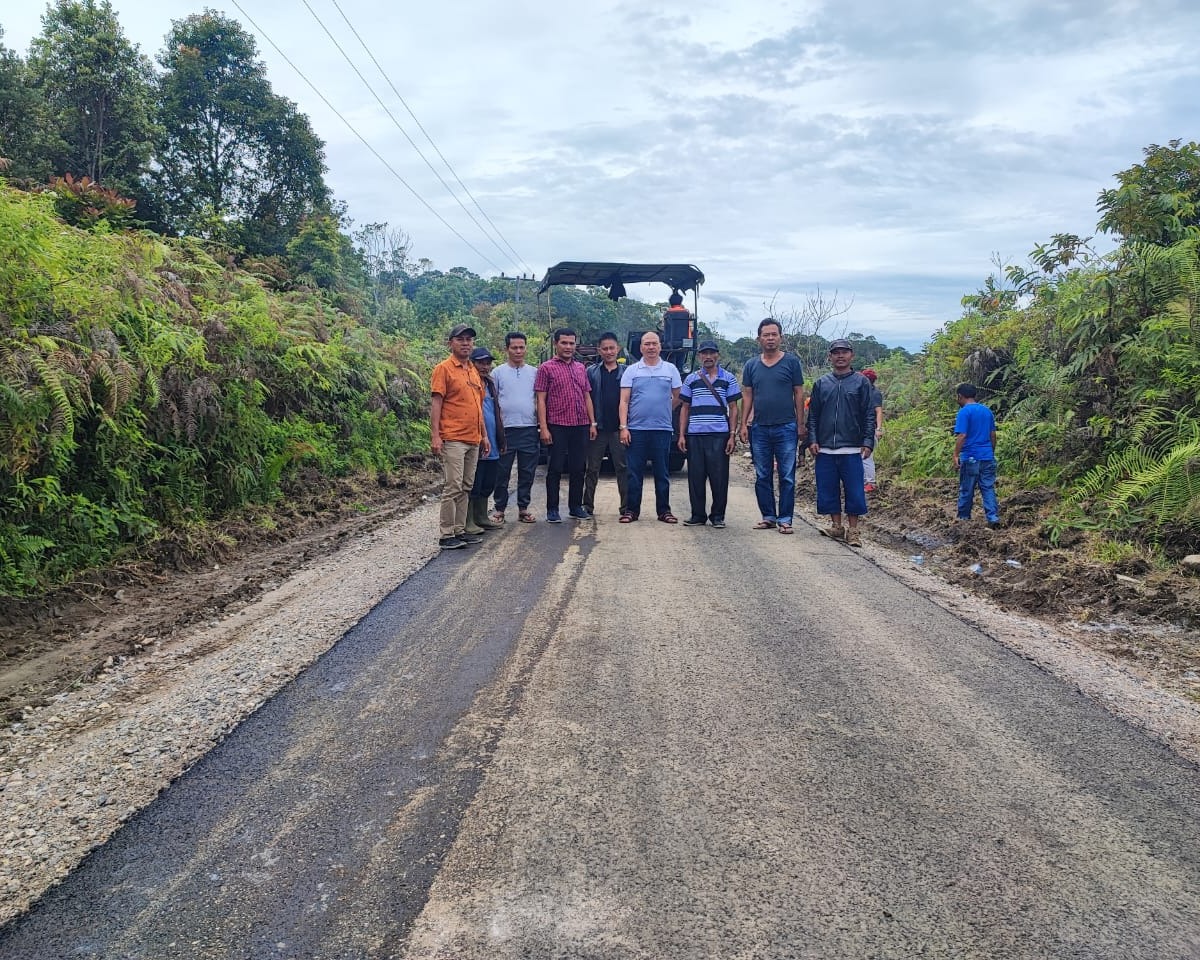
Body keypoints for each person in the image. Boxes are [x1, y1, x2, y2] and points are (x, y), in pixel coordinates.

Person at [738, 318, 806, 534]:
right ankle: (768, 516)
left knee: (787, 476)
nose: (770, 338)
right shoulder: (751, 365)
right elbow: (747, 396)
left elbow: (798, 393)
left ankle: (785, 519)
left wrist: (800, 423)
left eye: (773, 334)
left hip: (786, 426)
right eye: (766, 335)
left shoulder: (791, 363)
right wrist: (743, 424)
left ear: (780, 337)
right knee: (762, 475)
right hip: (759, 428)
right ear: (759, 338)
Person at [806, 339, 875, 547]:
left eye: (844, 352)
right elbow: (813, 415)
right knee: (828, 489)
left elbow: (868, 414)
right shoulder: (822, 383)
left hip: (852, 447)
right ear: (830, 357)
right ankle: (836, 526)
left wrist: (868, 441)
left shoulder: (861, 382)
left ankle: (853, 530)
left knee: (855, 490)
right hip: (825, 447)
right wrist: (812, 439)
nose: (840, 356)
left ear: (852, 355)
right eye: (836, 352)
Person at [430, 323, 488, 550]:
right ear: (450, 343)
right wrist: (435, 436)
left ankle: (459, 530)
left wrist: (484, 436)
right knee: (453, 486)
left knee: (466, 486)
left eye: (469, 340)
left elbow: (478, 407)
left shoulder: (472, 370)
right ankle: (446, 534)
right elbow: (436, 403)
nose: (466, 343)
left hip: (473, 437)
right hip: (453, 437)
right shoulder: (443, 369)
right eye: (460, 339)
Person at [619, 331, 682, 523]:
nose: (651, 347)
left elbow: (677, 397)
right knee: (634, 473)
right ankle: (631, 511)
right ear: (641, 348)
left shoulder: (670, 370)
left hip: (662, 430)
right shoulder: (632, 371)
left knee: (662, 472)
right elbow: (624, 401)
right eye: (647, 344)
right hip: (636, 430)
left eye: (654, 343)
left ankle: (664, 511)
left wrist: (663, 409)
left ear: (660, 346)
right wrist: (623, 427)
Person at [534, 328, 596, 522]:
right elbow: (541, 399)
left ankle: (575, 507)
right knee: (555, 468)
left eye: (571, 343)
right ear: (556, 344)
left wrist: (592, 423)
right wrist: (544, 427)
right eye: (564, 343)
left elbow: (587, 396)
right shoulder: (546, 368)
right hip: (557, 425)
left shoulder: (580, 368)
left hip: (580, 424)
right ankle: (552, 509)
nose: (568, 347)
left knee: (579, 467)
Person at [678, 340, 740, 527]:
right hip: (695, 434)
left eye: (712, 353)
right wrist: (681, 434)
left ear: (717, 355)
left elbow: (733, 407)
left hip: (719, 435)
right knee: (695, 477)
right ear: (699, 356)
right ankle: (698, 515)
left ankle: (718, 516)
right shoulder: (691, 379)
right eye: (704, 353)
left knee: (719, 477)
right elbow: (685, 408)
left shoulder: (728, 378)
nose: (708, 357)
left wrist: (732, 435)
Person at [491, 332, 539, 523]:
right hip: (505, 430)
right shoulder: (497, 373)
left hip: (528, 427)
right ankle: (499, 509)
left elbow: (539, 398)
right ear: (507, 349)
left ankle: (523, 508)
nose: (518, 351)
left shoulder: (534, 372)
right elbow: (492, 401)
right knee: (502, 471)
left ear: (526, 348)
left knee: (527, 471)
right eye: (514, 348)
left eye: (521, 347)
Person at [583, 332, 629, 517]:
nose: (609, 352)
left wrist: (626, 426)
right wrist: (591, 423)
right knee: (592, 468)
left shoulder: (627, 372)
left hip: (620, 429)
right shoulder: (591, 372)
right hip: (598, 428)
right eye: (605, 349)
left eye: (612, 348)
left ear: (618, 349)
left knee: (623, 468)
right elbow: (586, 398)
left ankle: (626, 508)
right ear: (599, 350)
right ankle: (587, 506)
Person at [464, 346, 505, 535]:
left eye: (488, 363)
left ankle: (481, 517)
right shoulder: (469, 383)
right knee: (474, 482)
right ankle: (468, 520)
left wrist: (501, 438)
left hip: (493, 440)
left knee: (488, 481)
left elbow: (496, 411)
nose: (485, 366)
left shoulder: (490, 384)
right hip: (475, 439)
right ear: (472, 363)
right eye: (480, 362)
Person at [953, 382, 1000, 528]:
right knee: (988, 488)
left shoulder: (964, 412)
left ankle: (963, 519)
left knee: (967, 489)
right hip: (987, 456)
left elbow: (962, 435)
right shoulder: (987, 411)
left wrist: (956, 455)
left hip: (970, 456)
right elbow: (993, 434)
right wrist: (991, 451)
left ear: (960, 396)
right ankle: (993, 517)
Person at [861, 368, 884, 493]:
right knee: (861, 456)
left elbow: (878, 411)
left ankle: (870, 482)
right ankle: (865, 481)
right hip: (862, 429)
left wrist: (878, 429)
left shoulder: (874, 393)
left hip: (870, 429)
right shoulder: (864, 392)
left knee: (867, 456)